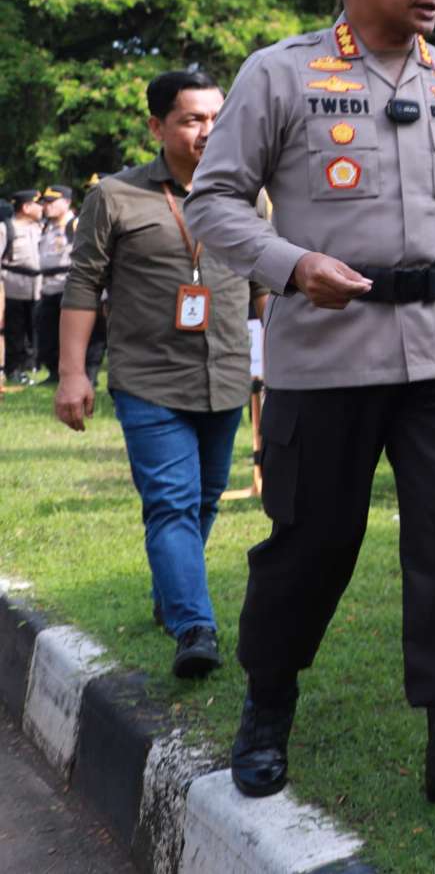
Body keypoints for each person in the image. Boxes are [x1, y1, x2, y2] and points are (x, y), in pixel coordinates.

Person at [185, 0, 435, 814]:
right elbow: (214, 202)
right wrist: (292, 263)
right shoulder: (280, 74)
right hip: (327, 356)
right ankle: (267, 709)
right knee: (312, 544)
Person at [53, 71, 253, 679]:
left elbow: (268, 284)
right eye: (192, 120)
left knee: (204, 500)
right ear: (157, 127)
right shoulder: (114, 196)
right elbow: (83, 283)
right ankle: (195, 626)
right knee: (170, 503)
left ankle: (172, 596)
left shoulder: (247, 193)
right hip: (148, 379)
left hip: (225, 375)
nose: (207, 131)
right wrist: (71, 375)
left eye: (217, 118)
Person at [32, 186, 75, 383]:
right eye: (45, 202)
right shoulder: (46, 227)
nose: (46, 206)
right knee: (47, 334)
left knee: (69, 337)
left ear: (66, 202)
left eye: (52, 202)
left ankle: (74, 374)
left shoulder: (75, 225)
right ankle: (53, 373)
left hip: (68, 287)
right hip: (48, 287)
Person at [4, 190, 43, 382]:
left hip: (37, 288)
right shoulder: (7, 229)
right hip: (13, 287)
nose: (42, 207)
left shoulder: (40, 228)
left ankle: (30, 367)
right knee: (15, 331)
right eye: (38, 204)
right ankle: (13, 369)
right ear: (26, 207)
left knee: (34, 328)